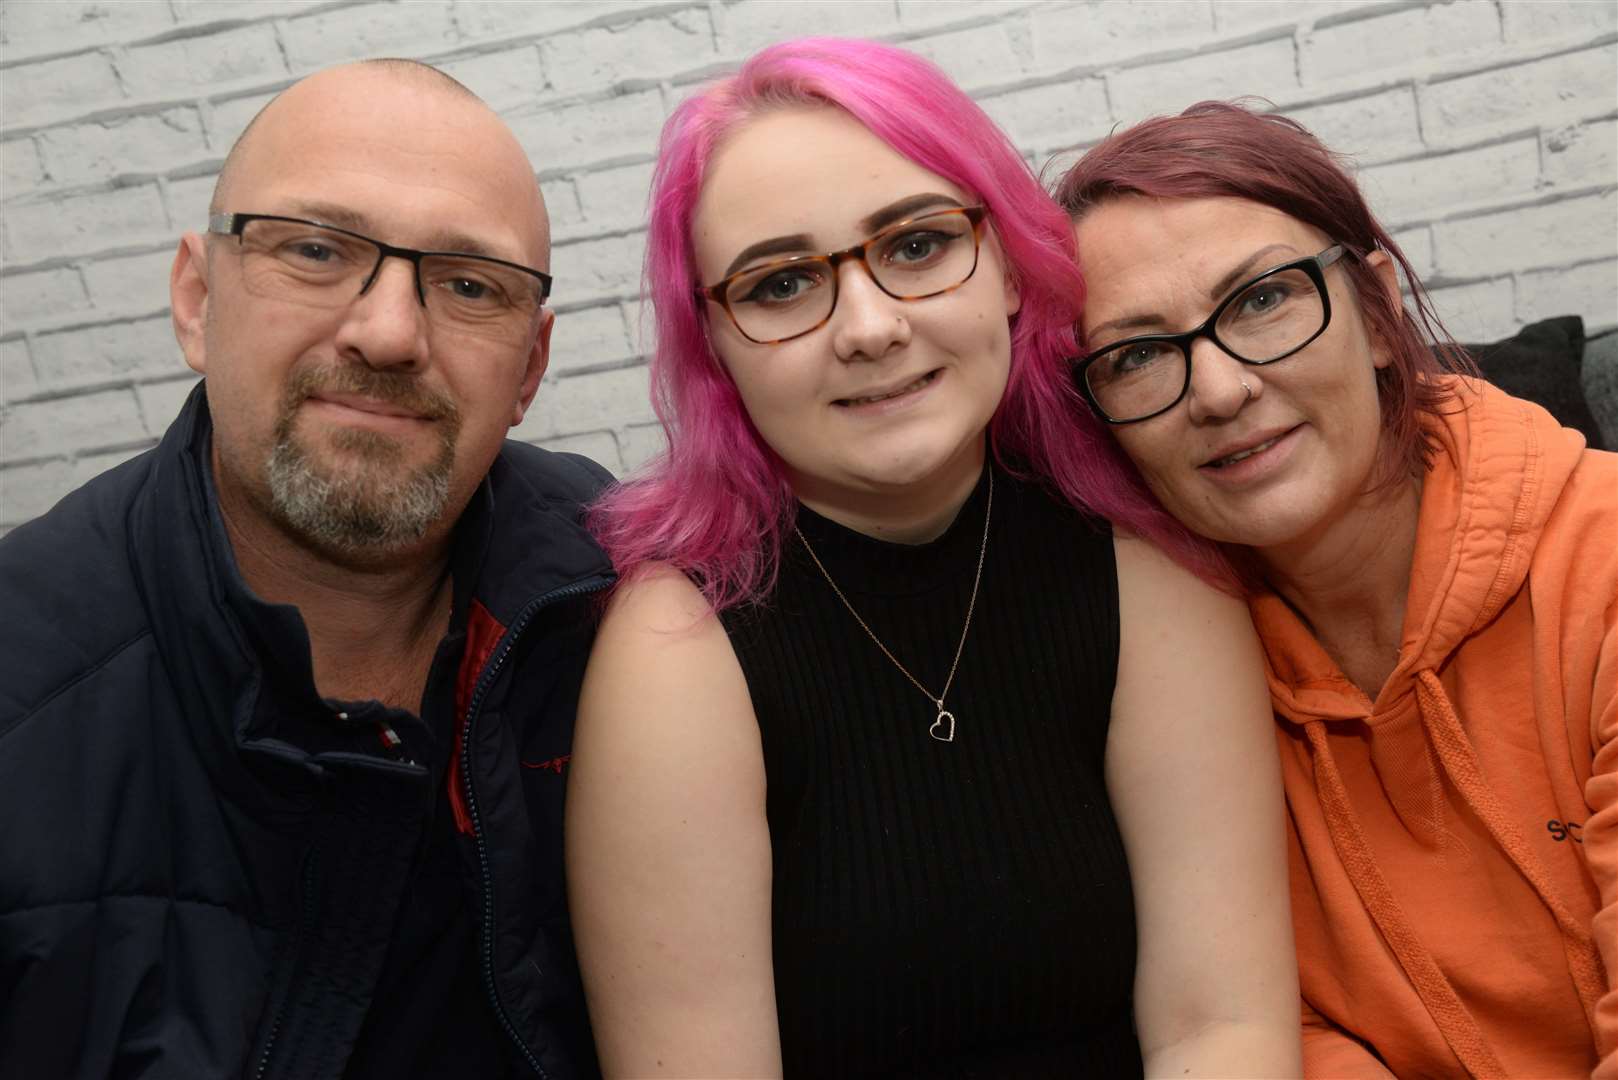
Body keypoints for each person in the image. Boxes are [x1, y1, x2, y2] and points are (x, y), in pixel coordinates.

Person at [567, 39, 1300, 1078]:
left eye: (914, 246)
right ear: (716, 343)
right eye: (780, 284)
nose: (868, 328)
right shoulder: (676, 646)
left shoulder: (1147, 566)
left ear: (1006, 266)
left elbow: (1219, 1026)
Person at [0, 60, 613, 1079]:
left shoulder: (631, 606)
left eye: (469, 284)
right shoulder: (24, 697)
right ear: (197, 299)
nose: (387, 333)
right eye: (318, 250)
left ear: (530, 371)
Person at [1056, 101, 1617, 1079]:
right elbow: (1268, 1031)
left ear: (1374, 312)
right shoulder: (1169, 701)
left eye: (1261, 299)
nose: (1220, 389)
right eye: (1138, 354)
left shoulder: (1600, 567)